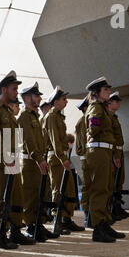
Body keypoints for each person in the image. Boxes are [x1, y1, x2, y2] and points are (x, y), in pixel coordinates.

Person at [0, 71, 35, 249]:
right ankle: (1, 233)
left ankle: (15, 230)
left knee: (15, 197)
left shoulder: (8, 111)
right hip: (1, 162)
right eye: (14, 89)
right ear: (4, 89)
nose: (16, 92)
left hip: (12, 162)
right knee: (0, 198)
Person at [85, 77, 126, 242]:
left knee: (106, 188)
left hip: (105, 151)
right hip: (98, 151)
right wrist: (91, 132)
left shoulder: (102, 108)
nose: (109, 92)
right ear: (97, 93)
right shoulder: (96, 107)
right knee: (99, 190)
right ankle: (97, 228)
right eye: (106, 90)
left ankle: (103, 223)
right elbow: (92, 127)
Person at [17, 82, 59, 242]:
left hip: (37, 160)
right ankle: (30, 227)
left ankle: (38, 224)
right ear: (27, 98)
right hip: (29, 162)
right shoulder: (24, 116)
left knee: (39, 194)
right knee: (30, 196)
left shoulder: (34, 115)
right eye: (37, 95)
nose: (40, 98)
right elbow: (28, 140)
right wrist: (39, 158)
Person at [43, 86, 85, 235]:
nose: (66, 101)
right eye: (63, 99)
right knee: (58, 189)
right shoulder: (52, 116)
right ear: (55, 101)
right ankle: (58, 219)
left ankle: (67, 218)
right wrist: (62, 158)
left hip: (60, 156)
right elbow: (55, 140)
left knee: (68, 188)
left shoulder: (58, 116)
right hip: (56, 157)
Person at [108, 92, 129, 219]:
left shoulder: (114, 117)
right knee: (112, 181)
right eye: (116, 101)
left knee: (119, 181)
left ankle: (117, 207)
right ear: (109, 103)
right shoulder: (108, 117)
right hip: (113, 153)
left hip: (118, 152)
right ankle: (112, 209)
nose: (118, 103)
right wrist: (114, 156)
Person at [75, 95, 92, 227]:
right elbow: (82, 145)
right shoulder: (82, 122)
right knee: (87, 187)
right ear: (86, 108)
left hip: (91, 157)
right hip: (87, 158)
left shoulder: (87, 120)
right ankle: (87, 215)